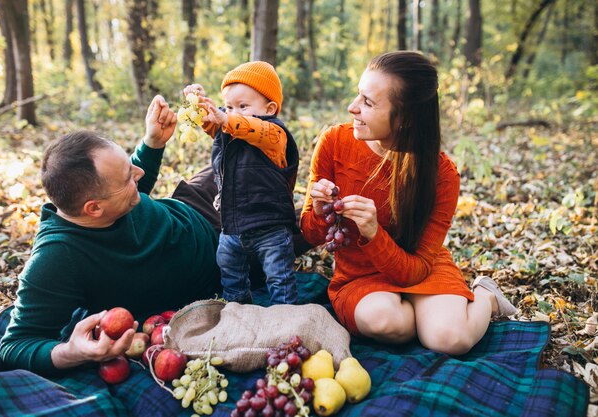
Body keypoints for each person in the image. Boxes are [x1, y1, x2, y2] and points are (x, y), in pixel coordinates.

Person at [300, 51, 518, 355]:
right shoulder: (334, 142)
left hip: (418, 267)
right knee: (389, 323)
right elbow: (310, 234)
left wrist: (374, 234)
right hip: (359, 275)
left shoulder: (441, 174)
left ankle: (486, 296)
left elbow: (416, 269)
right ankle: (425, 314)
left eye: (368, 102)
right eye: (358, 95)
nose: (352, 107)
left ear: (404, 119)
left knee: (451, 340)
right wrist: (322, 209)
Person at [0, 95, 221, 376]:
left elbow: (132, 191)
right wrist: (71, 352)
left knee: (247, 161)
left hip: (193, 203)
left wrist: (152, 144)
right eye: (129, 177)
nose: (138, 174)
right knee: (275, 212)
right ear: (94, 208)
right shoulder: (57, 258)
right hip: (229, 252)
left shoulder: (107, 200)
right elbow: (14, 346)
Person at [183, 61, 299, 305]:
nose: (233, 112)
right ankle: (238, 310)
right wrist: (200, 102)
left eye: (242, 106)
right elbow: (212, 123)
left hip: (270, 226)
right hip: (234, 224)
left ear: (270, 108)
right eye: (228, 106)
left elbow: (250, 128)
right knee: (229, 270)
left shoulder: (274, 135)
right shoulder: (229, 129)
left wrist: (227, 117)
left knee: (279, 276)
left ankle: (287, 315)